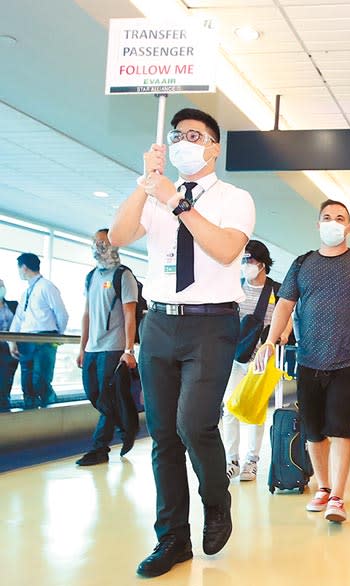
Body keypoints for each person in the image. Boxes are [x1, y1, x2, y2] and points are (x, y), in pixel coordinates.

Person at [109, 107, 255, 578]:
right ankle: (172, 538)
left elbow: (226, 249)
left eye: (195, 135)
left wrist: (177, 202)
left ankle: (216, 499)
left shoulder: (235, 197)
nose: (184, 143)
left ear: (214, 147)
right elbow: (118, 236)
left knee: (194, 424)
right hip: (160, 324)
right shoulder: (155, 194)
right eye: (177, 135)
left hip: (211, 325)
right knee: (164, 436)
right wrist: (146, 180)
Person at [254, 199, 350, 524]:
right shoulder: (302, 264)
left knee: (340, 428)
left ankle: (339, 497)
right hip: (309, 359)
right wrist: (270, 342)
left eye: (339, 218)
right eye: (327, 217)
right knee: (313, 430)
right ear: (318, 225)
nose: (333, 222)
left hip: (347, 359)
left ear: (349, 226)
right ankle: (323, 487)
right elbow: (285, 305)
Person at [222, 239, 291, 482]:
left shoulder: (276, 290)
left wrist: (282, 334)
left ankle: (252, 460)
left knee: (255, 408)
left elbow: (288, 315)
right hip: (235, 356)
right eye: (242, 259)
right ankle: (232, 459)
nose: (245, 264)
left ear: (262, 263)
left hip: (262, 358)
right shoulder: (235, 288)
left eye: (249, 259)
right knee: (229, 407)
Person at [75, 229, 139, 466]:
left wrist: (128, 350)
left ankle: (99, 448)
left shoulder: (124, 276)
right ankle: (127, 425)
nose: (97, 246)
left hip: (113, 348)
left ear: (113, 245)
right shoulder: (91, 276)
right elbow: (87, 313)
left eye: (102, 242)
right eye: (95, 242)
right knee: (95, 395)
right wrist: (82, 348)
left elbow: (129, 314)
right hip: (92, 348)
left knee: (106, 396)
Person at [8, 253, 68, 409]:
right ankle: (30, 414)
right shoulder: (26, 292)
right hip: (26, 340)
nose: (19, 272)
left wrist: (57, 337)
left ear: (24, 267)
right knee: (27, 382)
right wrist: (12, 341)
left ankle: (51, 412)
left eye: (19, 268)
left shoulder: (47, 286)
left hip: (45, 339)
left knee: (40, 380)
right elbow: (19, 319)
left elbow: (62, 314)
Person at [0, 279, 19, 412]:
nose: (1, 287)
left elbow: (20, 323)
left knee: (7, 378)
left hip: (11, 347)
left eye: (2, 285)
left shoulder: (13, 305)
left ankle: (5, 403)